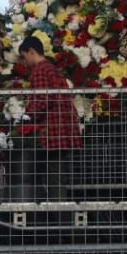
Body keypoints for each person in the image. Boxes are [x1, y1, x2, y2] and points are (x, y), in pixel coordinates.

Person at [18, 35, 82, 201]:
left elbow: (42, 100)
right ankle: (60, 214)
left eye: (24, 57)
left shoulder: (40, 70)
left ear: (31, 52)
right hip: (63, 129)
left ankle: (56, 218)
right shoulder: (52, 69)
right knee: (58, 176)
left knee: (51, 177)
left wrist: (25, 115)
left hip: (51, 131)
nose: (24, 63)